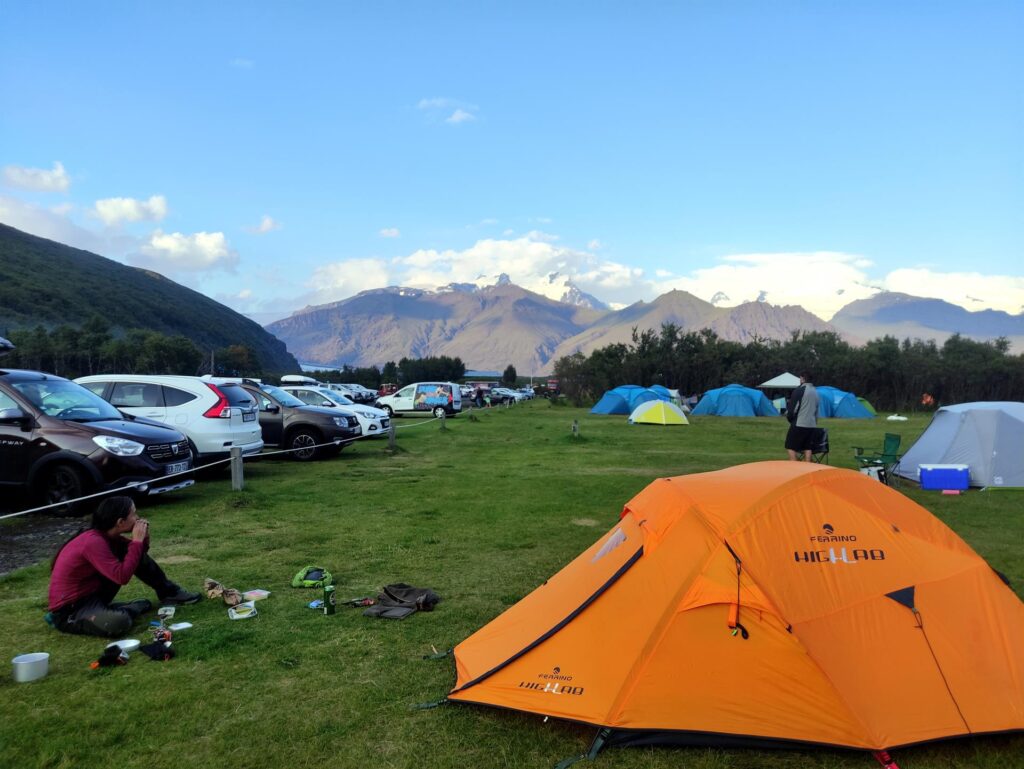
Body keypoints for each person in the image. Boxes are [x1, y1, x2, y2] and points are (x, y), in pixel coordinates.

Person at [48, 496, 200, 637]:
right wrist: (137, 542)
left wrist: (142, 540)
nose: (138, 518)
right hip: (71, 610)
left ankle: (169, 592)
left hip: (92, 595)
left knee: (132, 553)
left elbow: (137, 558)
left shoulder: (109, 537)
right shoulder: (93, 542)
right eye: (134, 514)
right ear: (120, 522)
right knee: (119, 622)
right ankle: (128, 609)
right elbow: (122, 577)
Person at [785, 372, 820, 462]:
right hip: (811, 424)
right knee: (807, 447)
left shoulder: (799, 390)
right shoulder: (815, 392)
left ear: (803, 379)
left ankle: (795, 465)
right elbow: (816, 410)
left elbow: (792, 409)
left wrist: (790, 420)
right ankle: (807, 467)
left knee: (790, 446)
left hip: (799, 423)